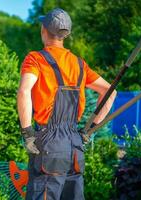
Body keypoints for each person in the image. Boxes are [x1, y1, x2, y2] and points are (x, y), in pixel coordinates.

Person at [17, 8, 117, 200]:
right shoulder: (79, 64)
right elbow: (110, 91)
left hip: (49, 144)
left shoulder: (35, 59)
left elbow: (24, 91)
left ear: (44, 30)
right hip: (74, 146)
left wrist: (28, 133)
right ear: (65, 35)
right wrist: (91, 129)